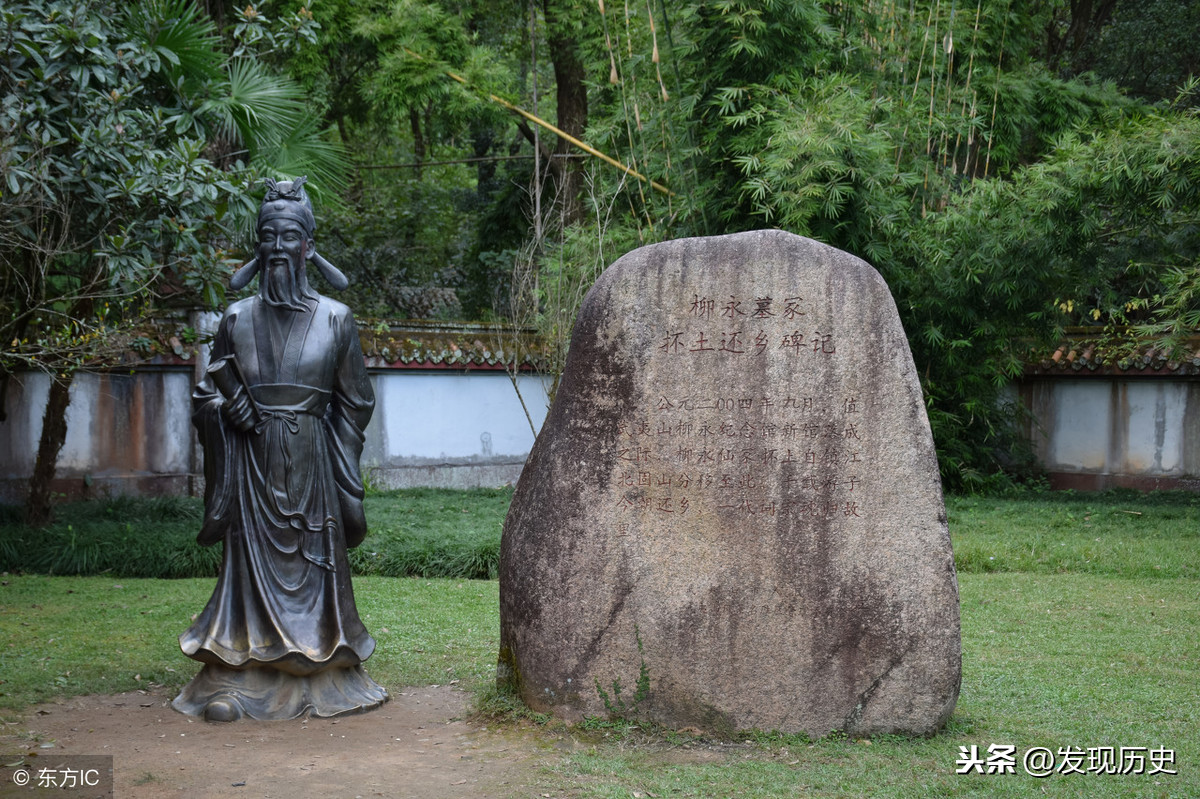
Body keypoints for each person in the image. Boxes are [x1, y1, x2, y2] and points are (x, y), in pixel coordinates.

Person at [173, 177, 386, 721]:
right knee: (249, 571)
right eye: (267, 235)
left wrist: (332, 458)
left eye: (289, 235)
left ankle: (324, 668)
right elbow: (204, 394)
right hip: (250, 466)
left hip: (312, 466)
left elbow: (356, 402)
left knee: (314, 569)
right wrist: (226, 413)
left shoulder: (336, 318)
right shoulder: (236, 319)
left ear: (308, 246)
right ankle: (240, 671)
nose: (277, 247)